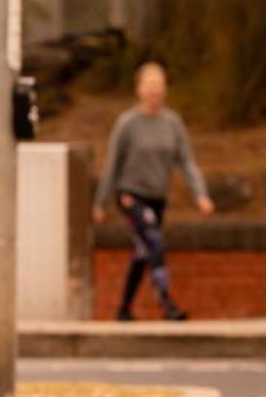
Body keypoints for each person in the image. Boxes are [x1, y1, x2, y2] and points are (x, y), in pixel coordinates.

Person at [92, 62, 214, 320]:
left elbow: (186, 161)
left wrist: (200, 194)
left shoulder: (172, 123)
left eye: (158, 87)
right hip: (130, 195)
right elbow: (112, 163)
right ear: (139, 90)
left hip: (157, 197)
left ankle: (124, 309)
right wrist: (101, 203)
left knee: (143, 251)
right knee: (154, 241)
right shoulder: (127, 124)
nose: (154, 92)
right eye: (149, 86)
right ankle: (167, 304)